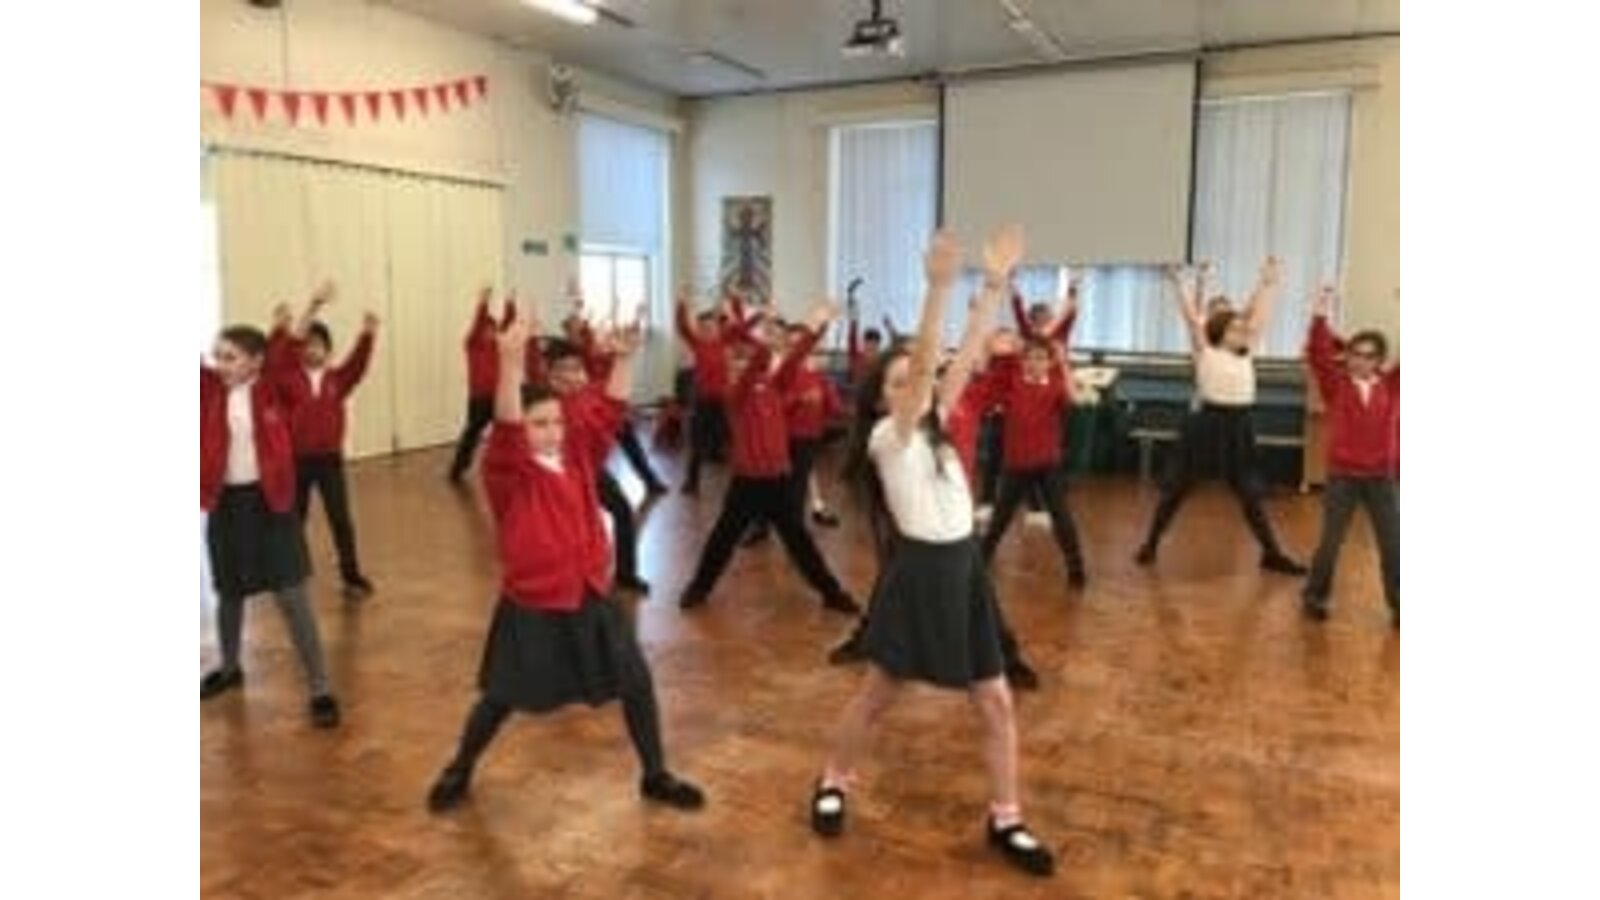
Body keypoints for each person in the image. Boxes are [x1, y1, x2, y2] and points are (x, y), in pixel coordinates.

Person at [809, 226, 1056, 878]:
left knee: (995, 701)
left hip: (964, 570)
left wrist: (994, 287)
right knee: (877, 694)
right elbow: (924, 368)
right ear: (879, 400)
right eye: (895, 384)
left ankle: (1006, 817)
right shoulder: (886, 440)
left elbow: (962, 358)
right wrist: (938, 288)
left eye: (911, 383)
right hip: (918, 574)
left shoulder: (938, 424)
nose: (912, 388)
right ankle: (833, 780)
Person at [426, 310, 704, 814]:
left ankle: (655, 774)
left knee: (636, 682)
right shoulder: (509, 471)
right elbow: (507, 426)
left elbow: (610, 412)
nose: (552, 432)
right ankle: (460, 766)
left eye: (556, 422)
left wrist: (624, 359)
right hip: (534, 604)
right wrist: (510, 360)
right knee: (500, 697)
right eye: (540, 424)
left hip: (591, 594)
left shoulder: (577, 458)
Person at [201, 295, 340, 729]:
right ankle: (229, 669)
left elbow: (289, 346)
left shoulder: (273, 386)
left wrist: (312, 306)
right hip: (227, 505)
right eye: (217, 356)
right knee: (229, 591)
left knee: (292, 597)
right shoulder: (208, 390)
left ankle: (320, 688)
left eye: (230, 357)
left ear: (256, 362)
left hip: (271, 504)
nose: (220, 364)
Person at [677, 301, 859, 614]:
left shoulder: (774, 386)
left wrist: (818, 325)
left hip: (778, 479)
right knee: (722, 538)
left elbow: (796, 356)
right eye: (733, 365)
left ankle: (832, 593)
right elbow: (758, 362)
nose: (738, 368)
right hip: (746, 483)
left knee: (799, 542)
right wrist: (765, 333)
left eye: (742, 362)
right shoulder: (733, 396)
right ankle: (699, 588)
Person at [1134, 260, 1307, 575]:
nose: (1244, 332)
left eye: (1243, 329)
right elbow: (1191, 318)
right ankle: (1151, 543)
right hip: (1207, 425)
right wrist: (1177, 283)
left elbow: (1259, 316)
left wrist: (1268, 283)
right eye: (1236, 329)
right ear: (1220, 332)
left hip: (1240, 426)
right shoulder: (1206, 351)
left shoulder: (1247, 353)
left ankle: (1272, 553)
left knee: (1250, 495)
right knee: (1177, 490)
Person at [268, 293, 378, 599]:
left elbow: (357, 365)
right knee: (295, 520)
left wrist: (367, 336)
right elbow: (279, 356)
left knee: (341, 519)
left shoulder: (337, 379)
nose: (311, 349)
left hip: (330, 461)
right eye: (306, 344)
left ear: (328, 350)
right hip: (297, 461)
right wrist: (304, 313)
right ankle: (290, 573)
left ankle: (351, 575)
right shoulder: (287, 378)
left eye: (318, 344)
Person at [1301, 286, 1400, 627]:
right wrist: (1320, 312)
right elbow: (1318, 352)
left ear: (1379, 360)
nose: (1360, 360)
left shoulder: (1392, 386)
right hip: (1343, 476)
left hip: (1382, 477)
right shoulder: (1337, 385)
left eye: (1369, 355)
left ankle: (1401, 604)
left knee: (1393, 543)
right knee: (1331, 541)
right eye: (1356, 353)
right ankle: (1314, 596)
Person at [980, 331, 1088, 588]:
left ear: (1048, 362)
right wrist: (1001, 350)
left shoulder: (1055, 385)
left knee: (1061, 516)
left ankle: (1076, 568)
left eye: (1040, 358)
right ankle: (980, 562)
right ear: (1022, 360)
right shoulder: (1012, 383)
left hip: (1047, 465)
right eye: (1029, 358)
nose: (1034, 363)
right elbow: (990, 385)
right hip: (1016, 465)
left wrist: (1063, 362)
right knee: (1000, 519)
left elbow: (1074, 398)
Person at [448, 287, 514, 484]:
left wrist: (510, 303)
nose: (491, 332)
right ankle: (458, 468)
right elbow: (477, 324)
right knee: (472, 433)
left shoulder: (498, 346)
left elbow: (507, 324)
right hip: (479, 398)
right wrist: (483, 302)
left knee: (506, 432)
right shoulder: (473, 345)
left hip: (498, 397)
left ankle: (506, 466)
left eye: (493, 330)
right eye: (487, 329)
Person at [675, 291, 735, 494]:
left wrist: (729, 304)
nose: (708, 330)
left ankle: (739, 480)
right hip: (702, 401)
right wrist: (682, 303)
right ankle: (692, 482)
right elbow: (683, 327)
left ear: (718, 328)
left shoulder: (724, 341)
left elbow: (737, 325)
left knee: (730, 438)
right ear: (700, 330)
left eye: (711, 327)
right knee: (698, 442)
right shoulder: (698, 343)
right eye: (703, 328)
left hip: (723, 401)